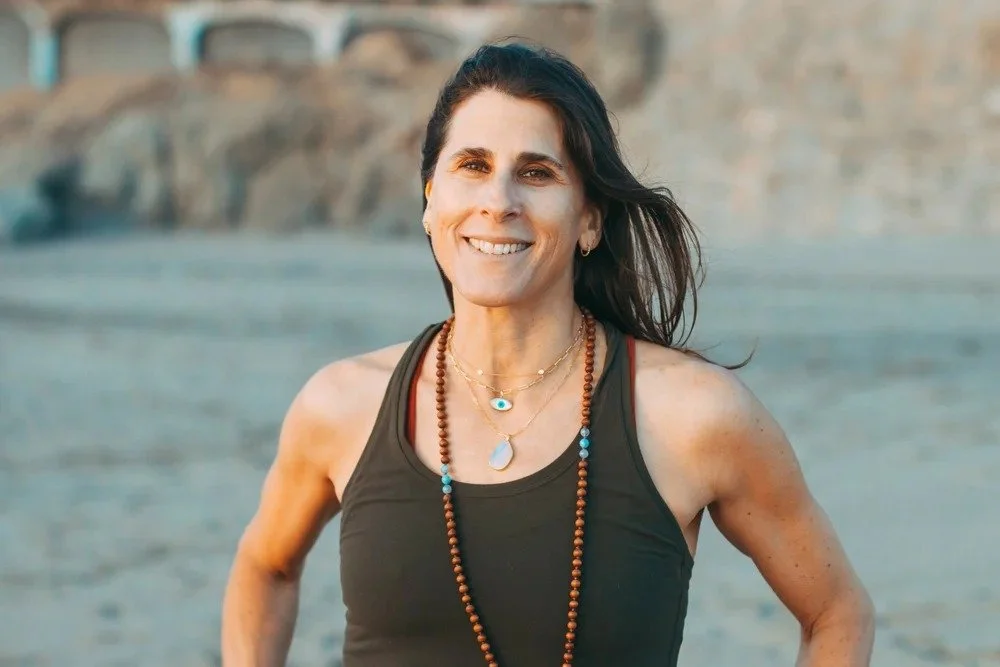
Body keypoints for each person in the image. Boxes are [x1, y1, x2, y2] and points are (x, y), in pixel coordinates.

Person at [221, 42, 875, 667]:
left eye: (536, 173)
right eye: (471, 166)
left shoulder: (693, 416)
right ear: (430, 201)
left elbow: (837, 611)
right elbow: (265, 567)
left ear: (588, 219)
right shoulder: (342, 405)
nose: (498, 202)